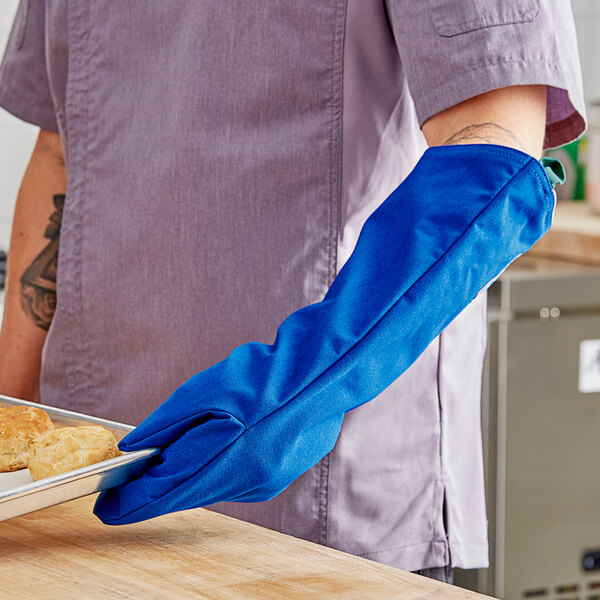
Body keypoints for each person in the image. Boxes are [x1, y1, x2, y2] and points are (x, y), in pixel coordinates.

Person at [0, 0, 585, 583]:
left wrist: (307, 382)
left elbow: (491, 152)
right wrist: (11, 414)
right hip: (75, 500)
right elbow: (60, 148)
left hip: (327, 517)